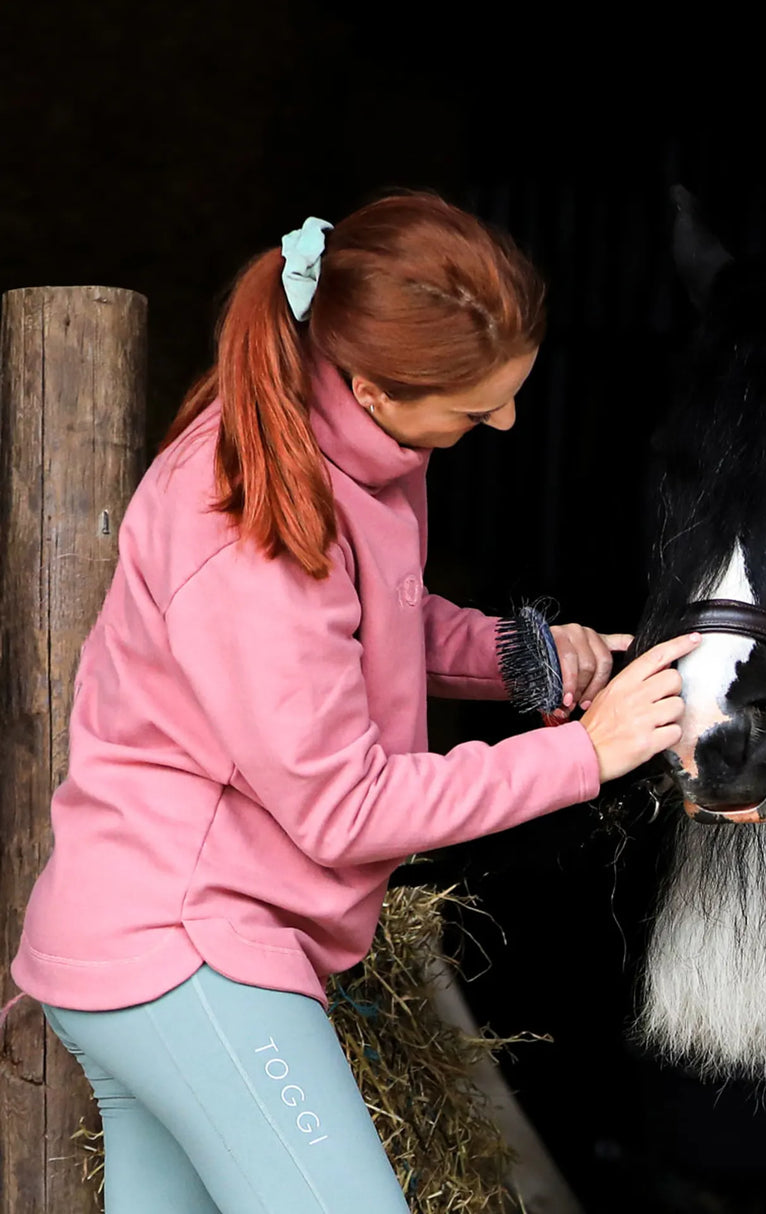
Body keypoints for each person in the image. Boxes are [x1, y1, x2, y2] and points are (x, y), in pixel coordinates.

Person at [6, 193, 699, 1213]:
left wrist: (529, 661)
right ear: (372, 388)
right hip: (186, 945)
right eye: (473, 408)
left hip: (168, 950)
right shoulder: (243, 518)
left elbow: (370, 623)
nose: (502, 422)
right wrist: (582, 755)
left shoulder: (357, 460)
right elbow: (344, 806)